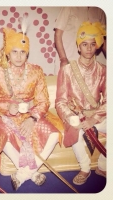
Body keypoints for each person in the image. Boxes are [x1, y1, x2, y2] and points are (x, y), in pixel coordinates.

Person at [0, 27, 63, 191]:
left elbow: (43, 101)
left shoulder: (36, 71)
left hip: (29, 114)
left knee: (54, 134)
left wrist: (33, 119)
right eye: (14, 52)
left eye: (23, 52)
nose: (19, 56)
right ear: (7, 53)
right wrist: (6, 106)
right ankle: (32, 174)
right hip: (2, 116)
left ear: (27, 53)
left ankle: (22, 174)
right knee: (2, 134)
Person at [55, 21, 106, 185]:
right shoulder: (67, 70)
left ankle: (103, 166)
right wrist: (72, 118)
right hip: (76, 116)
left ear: (97, 46)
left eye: (92, 44)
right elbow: (60, 101)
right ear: (78, 47)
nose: (89, 48)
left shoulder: (104, 70)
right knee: (75, 131)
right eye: (84, 44)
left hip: (97, 116)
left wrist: (94, 119)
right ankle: (85, 168)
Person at [54, 7, 106, 75]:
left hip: (90, 64)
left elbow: (103, 39)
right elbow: (57, 35)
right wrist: (63, 59)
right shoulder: (69, 7)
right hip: (68, 60)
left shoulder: (100, 10)